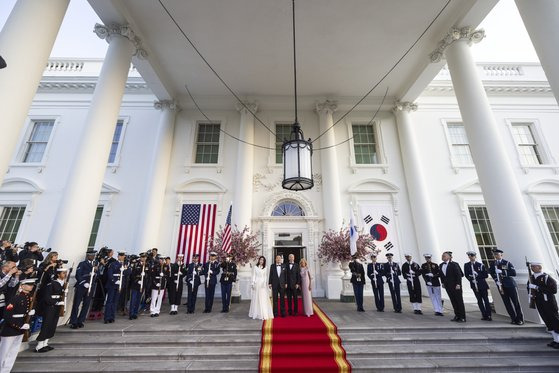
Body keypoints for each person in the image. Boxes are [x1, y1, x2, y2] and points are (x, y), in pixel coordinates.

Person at [0, 278, 36, 372]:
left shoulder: (28, 297)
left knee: (13, 352)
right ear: (22, 286)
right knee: (3, 352)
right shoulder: (15, 298)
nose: (31, 286)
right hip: (11, 328)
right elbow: (7, 316)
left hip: (20, 328)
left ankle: (6, 370)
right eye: (29, 284)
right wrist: (19, 326)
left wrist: (29, 315)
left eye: (32, 285)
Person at [527, 261, 559, 349]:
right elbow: (529, 288)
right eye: (532, 267)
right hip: (539, 302)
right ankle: (555, 340)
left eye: (534, 266)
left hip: (548, 302)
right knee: (547, 321)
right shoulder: (531, 277)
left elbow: (553, 290)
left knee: (554, 320)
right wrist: (530, 294)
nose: (532, 268)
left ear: (539, 267)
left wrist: (537, 288)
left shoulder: (546, 277)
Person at [36, 267, 67, 352]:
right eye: (63, 273)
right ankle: (39, 345)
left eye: (65, 273)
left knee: (52, 325)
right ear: (58, 274)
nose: (65, 275)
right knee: (46, 324)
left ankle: (45, 343)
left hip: (57, 306)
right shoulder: (52, 283)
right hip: (50, 306)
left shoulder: (63, 283)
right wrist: (55, 302)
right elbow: (47, 296)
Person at [489, 249, 524, 325]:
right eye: (495, 254)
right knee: (507, 303)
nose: (496, 256)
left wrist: (503, 272)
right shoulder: (493, 264)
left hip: (510, 285)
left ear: (501, 255)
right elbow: (491, 273)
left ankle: (520, 319)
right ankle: (513, 318)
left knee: (516, 303)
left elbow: (513, 273)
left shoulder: (507, 263)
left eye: (497, 254)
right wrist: (496, 280)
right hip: (501, 286)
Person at [69, 250, 97, 329]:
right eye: (92, 255)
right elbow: (78, 275)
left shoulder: (95, 264)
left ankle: (80, 320)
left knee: (86, 304)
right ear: (88, 256)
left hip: (90, 286)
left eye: (94, 255)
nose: (93, 257)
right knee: (76, 304)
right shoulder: (82, 264)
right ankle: (73, 321)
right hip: (82, 286)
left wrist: (95, 274)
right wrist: (83, 282)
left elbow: (96, 277)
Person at [464, 251, 491, 321]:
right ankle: (484, 314)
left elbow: (485, 275)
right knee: (479, 300)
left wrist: (477, 275)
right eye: (470, 256)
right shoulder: (466, 265)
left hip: (482, 285)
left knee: (486, 300)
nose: (471, 257)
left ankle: (489, 315)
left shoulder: (480, 265)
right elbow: (466, 275)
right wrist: (471, 279)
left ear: (475, 257)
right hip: (474, 285)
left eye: (472, 256)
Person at [440, 251, 466, 322]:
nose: (442, 257)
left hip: (455, 286)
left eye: (444, 256)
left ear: (449, 257)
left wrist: (458, 284)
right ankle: (457, 315)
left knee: (459, 301)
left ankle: (462, 317)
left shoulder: (454, 264)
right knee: (453, 301)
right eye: (442, 256)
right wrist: (442, 282)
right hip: (448, 286)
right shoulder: (441, 265)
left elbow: (459, 275)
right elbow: (442, 275)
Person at [104, 251, 127, 323]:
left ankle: (112, 317)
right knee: (109, 301)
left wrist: (126, 269)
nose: (122, 257)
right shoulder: (113, 264)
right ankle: (107, 317)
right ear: (118, 256)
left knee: (115, 302)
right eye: (121, 256)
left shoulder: (124, 265)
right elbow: (110, 274)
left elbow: (128, 273)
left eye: (123, 256)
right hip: (112, 284)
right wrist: (114, 281)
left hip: (119, 285)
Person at [249, 256, 274, 320]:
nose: (261, 261)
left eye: (262, 260)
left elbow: (266, 276)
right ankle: (256, 312)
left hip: (263, 285)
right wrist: (252, 283)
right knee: (256, 298)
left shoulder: (266, 268)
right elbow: (254, 275)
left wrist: (265, 283)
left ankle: (263, 312)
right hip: (257, 284)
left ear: (264, 261)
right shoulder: (255, 267)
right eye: (260, 260)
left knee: (263, 298)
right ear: (259, 260)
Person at [129, 253, 148, 320]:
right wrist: (137, 281)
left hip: (142, 285)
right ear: (140, 258)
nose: (143, 258)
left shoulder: (147, 265)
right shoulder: (136, 264)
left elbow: (149, 275)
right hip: (135, 285)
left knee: (138, 300)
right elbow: (133, 275)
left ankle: (135, 313)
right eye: (142, 257)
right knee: (133, 300)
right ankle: (131, 314)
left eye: (145, 257)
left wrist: (145, 275)